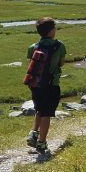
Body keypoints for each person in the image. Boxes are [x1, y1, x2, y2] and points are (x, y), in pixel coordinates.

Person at [25, 17, 67, 155]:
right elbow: (61, 64)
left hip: (36, 85)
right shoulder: (59, 46)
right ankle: (42, 143)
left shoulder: (33, 47)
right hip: (51, 85)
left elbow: (30, 64)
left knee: (39, 109)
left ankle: (33, 134)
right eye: (54, 28)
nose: (56, 30)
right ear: (51, 31)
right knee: (47, 114)